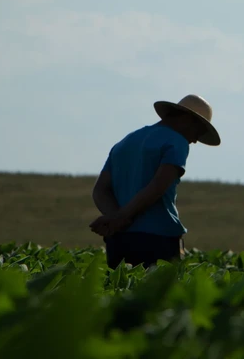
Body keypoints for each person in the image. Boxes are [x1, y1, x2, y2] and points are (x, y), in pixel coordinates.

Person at [89, 94, 221, 269]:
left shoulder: (126, 142)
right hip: (158, 240)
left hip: (118, 240)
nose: (195, 140)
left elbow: (100, 190)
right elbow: (158, 186)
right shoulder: (177, 141)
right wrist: (121, 217)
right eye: (198, 132)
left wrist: (116, 219)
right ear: (189, 120)